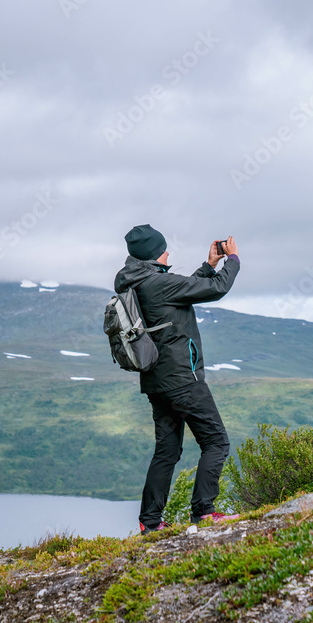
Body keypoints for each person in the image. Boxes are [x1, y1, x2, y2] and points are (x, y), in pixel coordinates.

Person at [113, 224, 241, 534]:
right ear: (153, 254)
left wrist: (209, 265)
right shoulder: (158, 283)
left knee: (167, 451)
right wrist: (233, 260)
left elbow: (183, 290)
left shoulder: (138, 283)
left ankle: (150, 522)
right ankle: (204, 512)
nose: (168, 253)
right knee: (216, 442)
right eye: (164, 249)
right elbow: (216, 289)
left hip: (157, 382)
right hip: (183, 378)